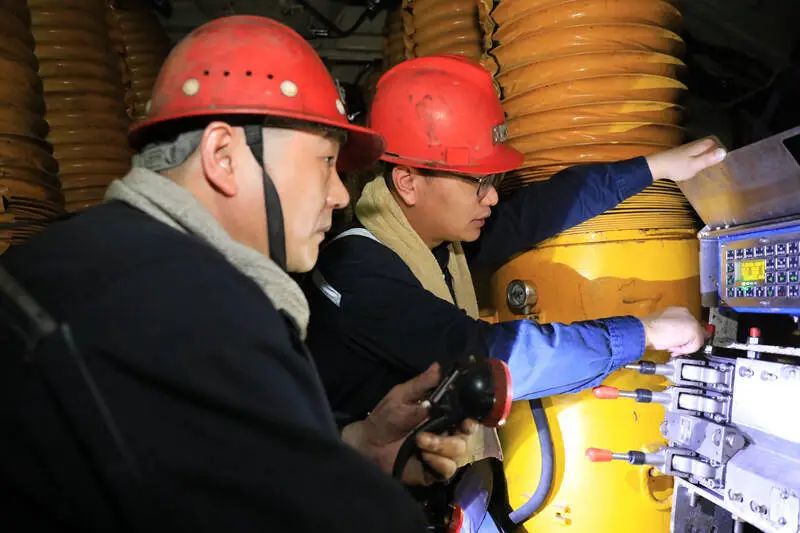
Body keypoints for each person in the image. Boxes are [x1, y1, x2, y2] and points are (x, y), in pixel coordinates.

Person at [0, 17, 475, 533]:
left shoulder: (103, 265)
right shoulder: (187, 306)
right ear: (223, 156)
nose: (340, 195)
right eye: (325, 161)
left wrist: (360, 445)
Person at [303, 55, 725, 531]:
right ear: (408, 182)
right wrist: (645, 330)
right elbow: (493, 362)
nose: (492, 197)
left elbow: (540, 209)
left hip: (457, 490)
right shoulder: (358, 272)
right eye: (478, 182)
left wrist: (655, 166)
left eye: (495, 181)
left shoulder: (439, 242)